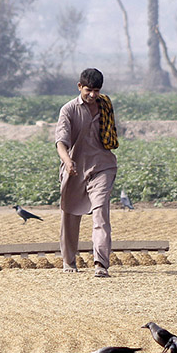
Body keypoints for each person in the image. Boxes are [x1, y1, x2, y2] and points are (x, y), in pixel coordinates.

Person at [55, 68, 119, 277]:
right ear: (79, 87)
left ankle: (100, 264)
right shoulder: (69, 110)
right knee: (70, 214)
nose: (92, 95)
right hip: (75, 169)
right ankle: (69, 261)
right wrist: (67, 161)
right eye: (88, 90)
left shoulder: (105, 107)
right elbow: (61, 142)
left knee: (101, 212)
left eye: (96, 91)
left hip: (103, 167)